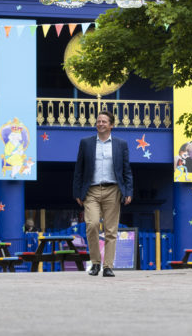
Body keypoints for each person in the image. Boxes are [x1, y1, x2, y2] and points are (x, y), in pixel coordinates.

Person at [72, 110, 133, 277]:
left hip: (113, 190)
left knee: (111, 230)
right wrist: (77, 192)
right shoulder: (86, 143)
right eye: (98, 121)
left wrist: (128, 191)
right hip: (91, 190)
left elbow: (126, 170)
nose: (100, 124)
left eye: (104, 121)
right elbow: (79, 169)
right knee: (91, 225)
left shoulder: (121, 144)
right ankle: (95, 263)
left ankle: (108, 266)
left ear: (111, 125)